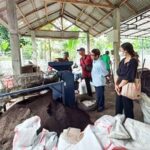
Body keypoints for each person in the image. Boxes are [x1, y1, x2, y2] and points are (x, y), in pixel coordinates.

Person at [115, 42, 138, 119]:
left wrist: (119, 86)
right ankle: (118, 123)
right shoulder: (122, 61)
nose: (120, 52)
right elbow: (118, 73)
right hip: (119, 86)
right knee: (118, 107)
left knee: (128, 108)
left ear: (126, 51)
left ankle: (129, 124)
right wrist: (116, 85)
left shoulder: (133, 61)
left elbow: (128, 77)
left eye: (121, 50)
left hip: (127, 87)